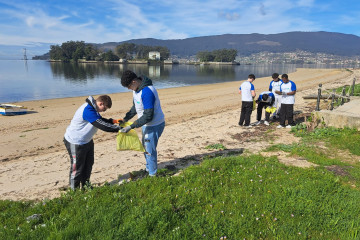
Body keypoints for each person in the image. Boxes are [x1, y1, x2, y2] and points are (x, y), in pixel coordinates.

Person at [64, 95, 122, 190]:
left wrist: (113, 121)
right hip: (75, 142)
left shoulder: (94, 108)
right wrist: (119, 129)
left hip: (87, 141)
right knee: (77, 168)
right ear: (101, 103)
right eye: (104, 109)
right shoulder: (88, 110)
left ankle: (86, 186)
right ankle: (74, 191)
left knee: (88, 164)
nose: (104, 111)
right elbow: (101, 125)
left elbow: (99, 119)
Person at [120, 70, 165, 177]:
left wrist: (131, 126)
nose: (128, 88)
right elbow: (135, 107)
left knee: (150, 150)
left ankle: (152, 175)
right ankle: (148, 169)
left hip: (154, 125)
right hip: (146, 124)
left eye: (129, 86)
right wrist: (125, 119)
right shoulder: (136, 90)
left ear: (134, 81)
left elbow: (148, 116)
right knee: (146, 148)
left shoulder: (147, 92)